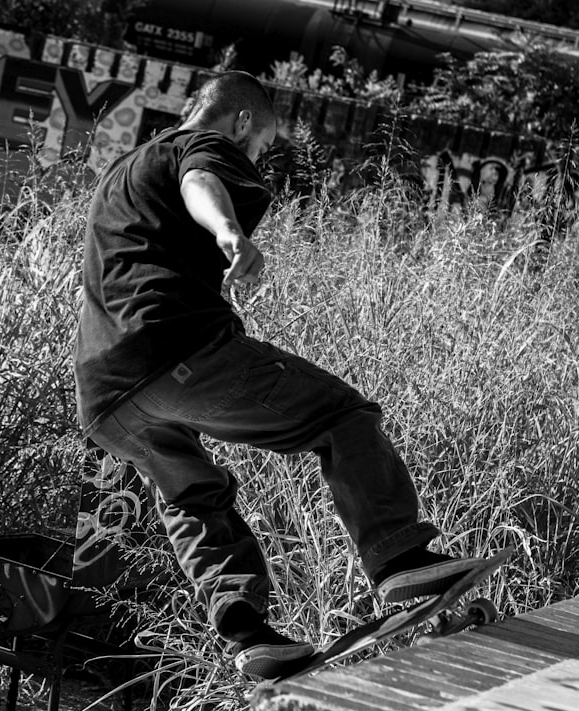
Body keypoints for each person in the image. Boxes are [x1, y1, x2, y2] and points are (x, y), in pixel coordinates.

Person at [73, 71, 480, 679]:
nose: (256, 156)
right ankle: (398, 558)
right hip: (177, 351)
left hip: (106, 396)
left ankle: (249, 637)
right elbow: (202, 180)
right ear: (240, 122)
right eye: (261, 144)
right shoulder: (201, 146)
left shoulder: (123, 170)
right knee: (342, 417)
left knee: (191, 495)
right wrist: (228, 230)